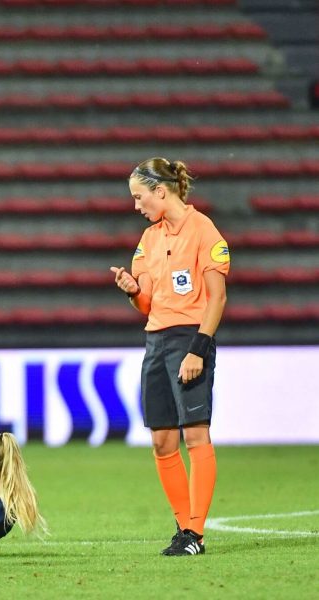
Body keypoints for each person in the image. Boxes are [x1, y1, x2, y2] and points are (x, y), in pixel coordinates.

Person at [110, 157, 229, 556]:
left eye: (139, 196)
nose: (136, 205)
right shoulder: (148, 239)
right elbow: (145, 306)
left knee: (195, 434)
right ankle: (183, 527)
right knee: (162, 441)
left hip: (189, 340)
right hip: (155, 342)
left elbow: (218, 298)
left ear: (161, 191)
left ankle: (195, 534)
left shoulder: (203, 230)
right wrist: (131, 289)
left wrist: (199, 348)